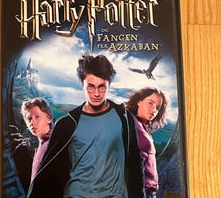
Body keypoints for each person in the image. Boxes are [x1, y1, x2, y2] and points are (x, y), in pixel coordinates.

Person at [27, 54, 145, 198]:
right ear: (82, 85)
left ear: (109, 85)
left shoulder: (124, 117)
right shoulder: (67, 124)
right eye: (91, 87)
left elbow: (135, 163)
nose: (96, 93)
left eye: (102, 87)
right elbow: (49, 172)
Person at [126, 87, 168, 198]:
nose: (154, 110)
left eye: (157, 107)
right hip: (140, 190)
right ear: (139, 101)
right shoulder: (131, 123)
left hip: (148, 191)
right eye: (150, 103)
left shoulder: (141, 126)